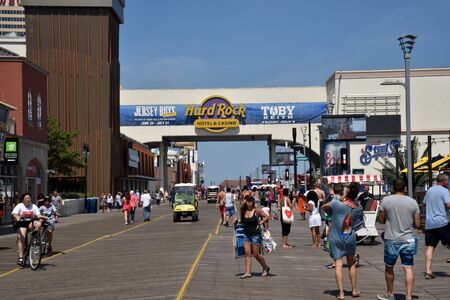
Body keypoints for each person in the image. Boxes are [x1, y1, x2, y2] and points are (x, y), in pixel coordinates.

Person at [376, 178, 421, 300]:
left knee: (389, 266)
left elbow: (380, 220)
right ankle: (409, 296)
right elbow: (417, 224)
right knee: (408, 267)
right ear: (405, 188)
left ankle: (390, 293)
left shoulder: (386, 200)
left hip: (391, 239)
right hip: (408, 240)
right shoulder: (413, 202)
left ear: (392, 188)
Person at [322, 183, 360, 299]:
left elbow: (324, 207)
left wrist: (329, 213)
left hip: (336, 236)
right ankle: (354, 290)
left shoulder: (335, 204)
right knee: (351, 263)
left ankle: (341, 293)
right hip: (349, 236)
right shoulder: (356, 206)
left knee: (338, 265)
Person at [423, 174, 450, 279]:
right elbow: (448, 205)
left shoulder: (429, 190)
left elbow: (424, 203)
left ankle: (428, 271)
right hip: (442, 222)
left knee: (430, 247)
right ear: (445, 182)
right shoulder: (445, 191)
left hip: (430, 223)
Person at [240, 196, 270, 279]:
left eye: (250, 201)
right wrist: (237, 221)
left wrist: (260, 223)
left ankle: (265, 267)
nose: (249, 202)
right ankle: (248, 272)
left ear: (253, 202)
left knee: (256, 254)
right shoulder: (243, 211)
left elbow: (267, 216)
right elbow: (243, 221)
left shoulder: (256, 210)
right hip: (246, 234)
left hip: (255, 235)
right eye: (247, 201)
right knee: (247, 253)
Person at [11, 193, 45, 266]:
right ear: (23, 200)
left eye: (29, 198)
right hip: (21, 224)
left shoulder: (34, 206)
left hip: (30, 223)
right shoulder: (20, 205)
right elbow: (14, 213)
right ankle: (20, 257)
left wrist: (42, 217)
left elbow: (38, 215)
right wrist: (17, 217)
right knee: (21, 238)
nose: (28, 199)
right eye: (26, 198)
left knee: (39, 224)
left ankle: (34, 236)